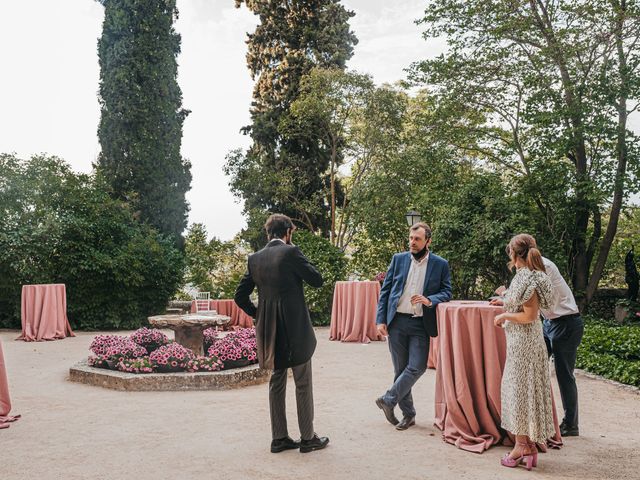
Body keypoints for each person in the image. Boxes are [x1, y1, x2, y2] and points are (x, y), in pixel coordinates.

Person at [234, 214, 329, 454]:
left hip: (269, 330)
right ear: (288, 232)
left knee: (276, 381)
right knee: (302, 381)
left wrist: (259, 314)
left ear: (268, 234)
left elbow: (240, 296)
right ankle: (308, 438)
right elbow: (317, 280)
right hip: (294, 328)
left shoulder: (254, 259)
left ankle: (279, 438)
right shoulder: (290, 252)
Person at [492, 234, 583, 437]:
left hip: (566, 322)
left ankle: (570, 424)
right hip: (549, 323)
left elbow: (531, 295)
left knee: (563, 374)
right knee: (534, 371)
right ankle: (535, 424)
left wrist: (506, 302)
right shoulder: (533, 268)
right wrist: (506, 299)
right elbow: (525, 294)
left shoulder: (542, 267)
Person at [374, 222, 452, 430]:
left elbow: (447, 291)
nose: (412, 242)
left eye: (417, 239)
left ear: (428, 241)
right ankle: (408, 415)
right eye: (410, 238)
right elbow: (386, 291)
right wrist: (380, 320)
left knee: (417, 366)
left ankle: (388, 399)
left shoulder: (440, 264)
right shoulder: (398, 259)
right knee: (400, 370)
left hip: (420, 324)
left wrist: (430, 300)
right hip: (397, 321)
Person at [493, 234, 556, 470]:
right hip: (531, 341)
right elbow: (528, 307)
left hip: (524, 344)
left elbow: (529, 315)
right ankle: (528, 446)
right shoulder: (535, 276)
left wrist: (505, 315)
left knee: (518, 391)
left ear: (513, 253)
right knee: (527, 391)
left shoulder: (527, 277)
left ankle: (521, 446)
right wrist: (504, 302)